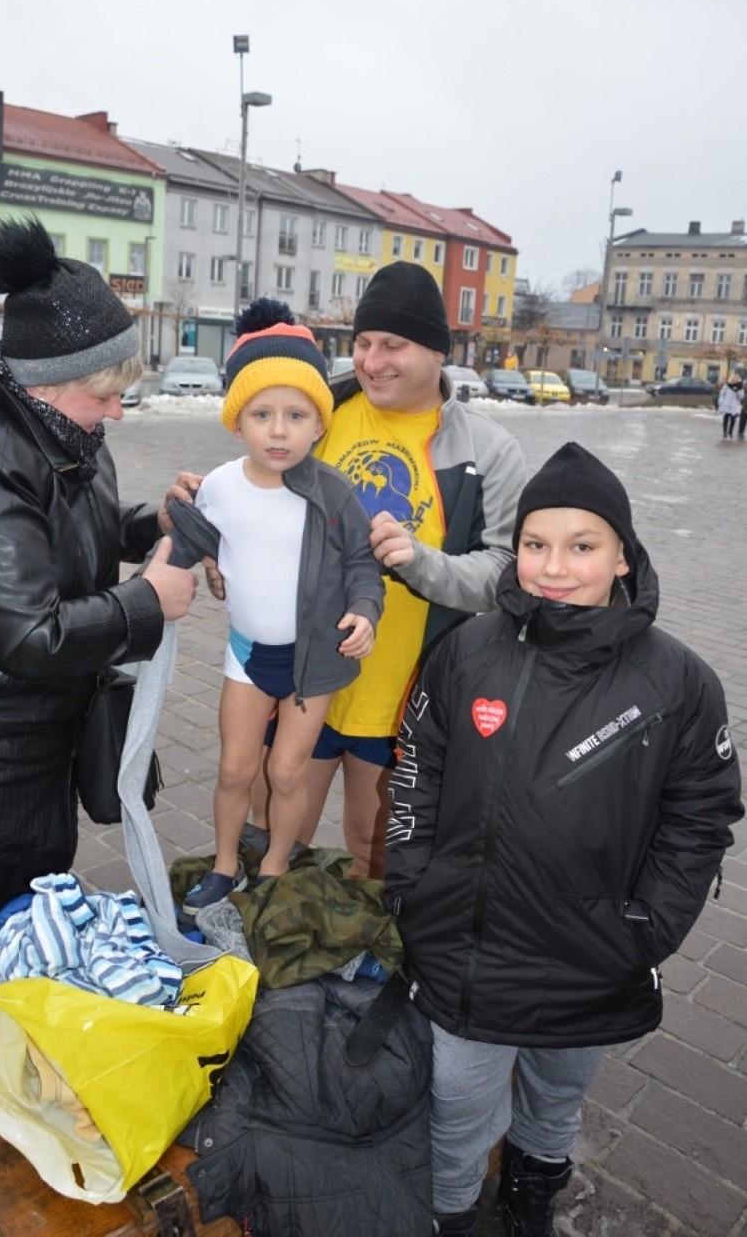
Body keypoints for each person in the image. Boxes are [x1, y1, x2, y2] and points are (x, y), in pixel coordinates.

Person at [383, 442, 743, 1237]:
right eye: (537, 544)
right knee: (458, 1107)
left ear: (622, 556)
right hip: (465, 956)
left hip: (593, 957)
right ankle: (449, 1213)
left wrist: (647, 927)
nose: (554, 566)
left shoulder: (678, 682)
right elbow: (416, 771)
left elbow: (702, 813)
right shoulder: (466, 651)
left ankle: (532, 1196)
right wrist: (412, 885)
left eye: (582, 546)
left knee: (555, 1097)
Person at [0, 217, 197, 985]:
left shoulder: (62, 430)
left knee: (16, 944)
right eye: (108, 393)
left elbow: (62, 535)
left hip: (33, 758)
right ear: (49, 378)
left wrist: (149, 525)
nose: (120, 411)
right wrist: (148, 601)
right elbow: (30, 633)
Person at [267, 262, 527, 877]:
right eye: (362, 343)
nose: (372, 360)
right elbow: (259, 499)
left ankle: (370, 960)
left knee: (374, 851)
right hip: (303, 678)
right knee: (273, 837)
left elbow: (508, 572)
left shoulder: (488, 450)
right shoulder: (315, 409)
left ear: (437, 351)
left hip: (405, 695)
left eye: (393, 345)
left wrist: (421, 561)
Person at [166, 299, 384, 914]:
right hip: (246, 655)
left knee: (288, 772)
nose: (279, 430)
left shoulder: (335, 492)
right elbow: (183, 546)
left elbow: (363, 565)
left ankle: (276, 865)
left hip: (311, 663)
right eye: (262, 414)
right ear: (238, 423)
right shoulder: (218, 488)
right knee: (237, 769)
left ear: (320, 424)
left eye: (296, 415)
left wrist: (365, 612)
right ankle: (227, 863)